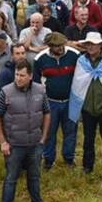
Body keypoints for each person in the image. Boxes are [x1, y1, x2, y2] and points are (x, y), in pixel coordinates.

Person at [0, 58, 50, 202]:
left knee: (34, 176)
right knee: (11, 179)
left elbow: (47, 113)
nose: (18, 78)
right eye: (17, 75)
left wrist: (43, 138)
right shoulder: (6, 92)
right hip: (14, 145)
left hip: (34, 144)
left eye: (22, 75)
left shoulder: (40, 91)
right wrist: (2, 141)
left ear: (30, 76)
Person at [69, 32, 102, 177]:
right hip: (88, 107)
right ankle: (87, 166)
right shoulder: (82, 61)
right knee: (88, 138)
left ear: (100, 45)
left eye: (93, 44)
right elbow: (78, 83)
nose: (91, 47)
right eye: (88, 44)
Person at [33, 32, 78, 168]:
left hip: (70, 101)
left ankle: (69, 158)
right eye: (55, 46)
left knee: (70, 131)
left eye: (60, 45)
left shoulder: (75, 55)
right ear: (49, 46)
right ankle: (48, 159)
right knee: (49, 131)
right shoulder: (40, 59)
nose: (59, 48)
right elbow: (36, 82)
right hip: (50, 101)